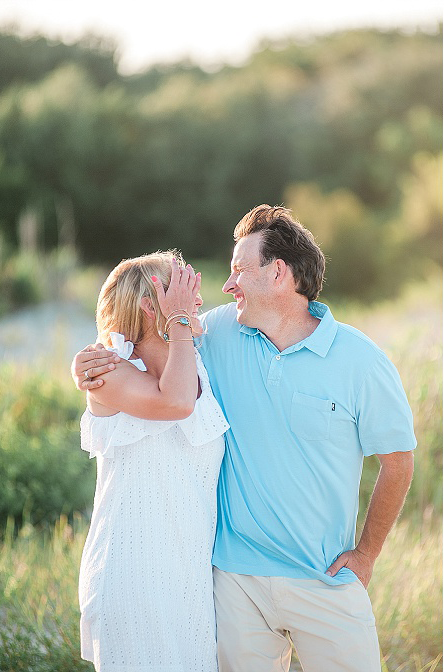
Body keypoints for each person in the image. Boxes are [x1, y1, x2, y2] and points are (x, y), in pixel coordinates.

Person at [73, 205, 416, 672]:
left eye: (238, 270)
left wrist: (367, 554)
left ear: (278, 273)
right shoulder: (211, 334)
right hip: (232, 584)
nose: (225, 285)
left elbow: (398, 461)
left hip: (325, 579)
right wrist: (87, 360)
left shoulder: (361, 360)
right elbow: (155, 364)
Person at [78, 251, 228, 671]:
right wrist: (178, 321)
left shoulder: (198, 361)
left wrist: (181, 324)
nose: (196, 300)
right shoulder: (108, 370)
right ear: (151, 306)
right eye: (182, 291)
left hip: (187, 580)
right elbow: (176, 402)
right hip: (132, 575)